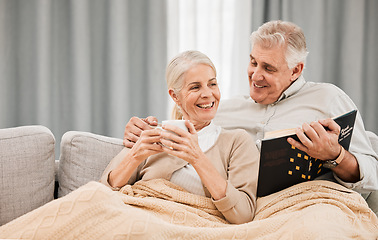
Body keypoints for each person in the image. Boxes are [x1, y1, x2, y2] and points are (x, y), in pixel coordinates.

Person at [122, 20, 378, 195]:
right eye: (253, 62)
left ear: (295, 70)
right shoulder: (223, 108)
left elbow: (372, 174)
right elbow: (179, 129)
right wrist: (140, 131)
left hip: (307, 201)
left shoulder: (328, 98)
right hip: (239, 207)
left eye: (268, 68)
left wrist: (336, 155)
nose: (255, 75)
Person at [100, 50, 260, 224]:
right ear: (175, 96)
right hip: (142, 219)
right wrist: (135, 155)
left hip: (193, 227)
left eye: (212, 84)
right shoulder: (153, 134)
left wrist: (197, 158)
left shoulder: (236, 142)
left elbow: (243, 214)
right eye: (195, 87)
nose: (207, 94)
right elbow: (104, 193)